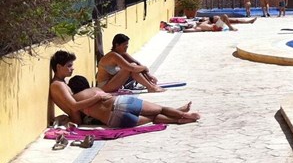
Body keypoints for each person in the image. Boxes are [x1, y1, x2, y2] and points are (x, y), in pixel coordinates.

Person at [48, 51, 199, 127]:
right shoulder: (58, 85)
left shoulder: (63, 85)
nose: (72, 69)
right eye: (69, 66)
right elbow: (73, 106)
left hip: (113, 119)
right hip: (119, 104)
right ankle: (182, 114)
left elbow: (74, 108)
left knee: (154, 117)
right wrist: (99, 97)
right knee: (159, 109)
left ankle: (180, 118)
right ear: (59, 67)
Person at [96, 34, 164, 93]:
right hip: (104, 87)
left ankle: (151, 85)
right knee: (131, 68)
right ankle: (150, 87)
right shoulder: (113, 55)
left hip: (114, 83)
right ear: (117, 45)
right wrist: (145, 67)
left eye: (127, 46)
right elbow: (132, 68)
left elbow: (137, 63)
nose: (126, 48)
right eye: (125, 46)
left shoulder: (122, 53)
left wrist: (149, 76)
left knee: (134, 65)